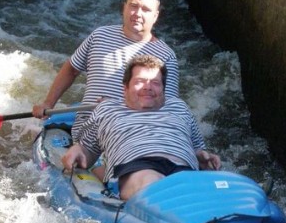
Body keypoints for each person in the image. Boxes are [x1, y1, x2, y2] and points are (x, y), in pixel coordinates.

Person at [62, 54, 221, 201]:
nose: (148, 87)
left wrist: (202, 156)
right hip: (136, 165)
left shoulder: (179, 107)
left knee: (191, 187)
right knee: (151, 181)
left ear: (163, 89)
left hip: (182, 168)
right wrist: (79, 149)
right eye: (140, 81)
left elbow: (197, 149)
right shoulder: (107, 109)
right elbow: (87, 150)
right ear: (125, 88)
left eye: (155, 83)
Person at [32, 0, 179, 141]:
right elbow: (71, 69)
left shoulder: (166, 56)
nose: (137, 13)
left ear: (155, 16)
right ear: (124, 8)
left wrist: (117, 109)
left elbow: (166, 111)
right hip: (87, 129)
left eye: (146, 9)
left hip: (131, 134)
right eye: (133, 6)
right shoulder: (100, 35)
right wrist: (48, 103)